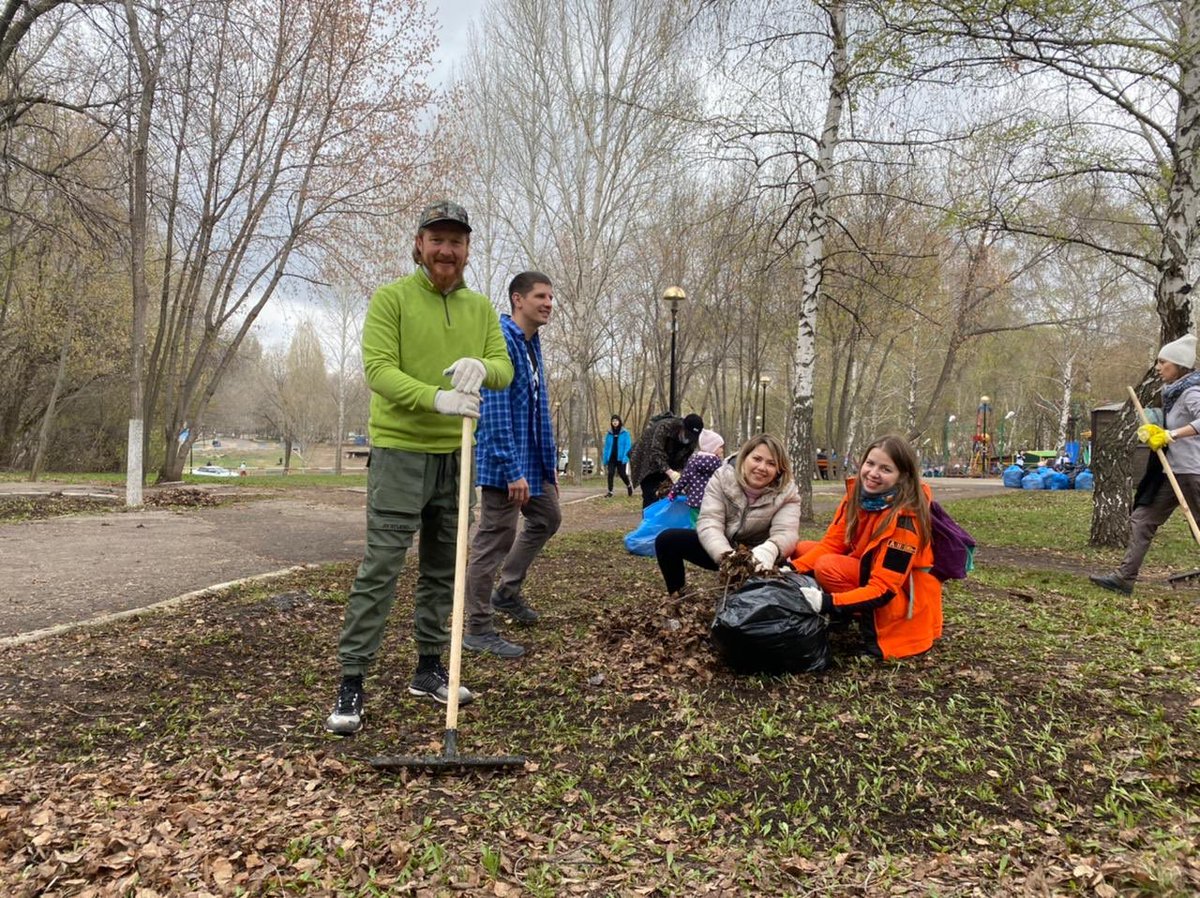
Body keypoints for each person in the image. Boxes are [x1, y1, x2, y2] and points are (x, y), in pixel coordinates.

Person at [324, 199, 514, 736]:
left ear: (468, 250)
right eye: (437, 239)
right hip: (400, 451)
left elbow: (502, 368)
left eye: (456, 241)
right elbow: (378, 371)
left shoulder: (480, 310)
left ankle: (429, 668)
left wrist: (484, 367)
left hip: (457, 454)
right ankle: (353, 679)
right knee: (381, 567)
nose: (446, 250)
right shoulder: (392, 300)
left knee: (443, 567)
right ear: (419, 244)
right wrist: (437, 399)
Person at [462, 271, 562, 659]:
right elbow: (497, 412)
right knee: (494, 540)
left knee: (548, 517)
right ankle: (478, 627)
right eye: (540, 296)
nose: (548, 303)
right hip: (506, 465)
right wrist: (511, 470)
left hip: (532, 464)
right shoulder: (502, 341)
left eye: (551, 297)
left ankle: (506, 591)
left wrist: (547, 464)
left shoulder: (532, 345)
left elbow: (538, 411)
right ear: (517, 300)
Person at [788, 434, 943, 660]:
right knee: (802, 549)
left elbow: (884, 589)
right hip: (869, 570)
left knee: (827, 567)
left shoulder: (906, 522)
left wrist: (829, 603)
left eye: (885, 469)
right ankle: (846, 607)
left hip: (904, 600)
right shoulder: (859, 496)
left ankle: (857, 614)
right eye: (870, 464)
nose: (872, 473)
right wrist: (791, 568)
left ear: (903, 476)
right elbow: (833, 542)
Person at [1090, 334, 1200, 596]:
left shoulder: (1192, 391)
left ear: (1179, 364)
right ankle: (1124, 578)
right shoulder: (1172, 392)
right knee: (1143, 519)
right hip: (1169, 472)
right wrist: (1154, 429)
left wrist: (1172, 435)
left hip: (1193, 471)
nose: (1159, 367)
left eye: (1163, 362)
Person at [654, 434, 800, 597]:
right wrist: (727, 558)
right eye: (757, 459)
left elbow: (786, 532)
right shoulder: (722, 478)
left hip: (762, 556)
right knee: (667, 540)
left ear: (779, 469)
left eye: (771, 463)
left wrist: (769, 550)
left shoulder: (788, 493)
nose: (762, 467)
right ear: (745, 458)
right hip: (723, 547)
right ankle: (677, 598)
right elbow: (710, 521)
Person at [629, 412, 704, 507]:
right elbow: (656, 452)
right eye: (688, 434)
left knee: (665, 494)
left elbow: (685, 459)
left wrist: (680, 474)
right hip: (646, 459)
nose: (689, 438)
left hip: (670, 461)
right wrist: (670, 472)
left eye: (692, 436)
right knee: (651, 495)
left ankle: (664, 520)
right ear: (682, 427)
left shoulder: (693, 440)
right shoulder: (665, 427)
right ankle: (650, 520)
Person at [667, 428, 725, 522]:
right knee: (710, 525)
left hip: (695, 502)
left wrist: (673, 493)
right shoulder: (719, 464)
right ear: (712, 447)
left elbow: (683, 480)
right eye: (720, 447)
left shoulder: (693, 462)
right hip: (713, 502)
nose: (722, 450)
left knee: (695, 525)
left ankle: (695, 536)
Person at [604, 414, 633, 497]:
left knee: (622, 474)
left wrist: (625, 457)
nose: (615, 422)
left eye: (616, 421)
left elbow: (627, 446)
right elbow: (606, 447)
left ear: (619, 421)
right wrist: (605, 458)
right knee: (610, 473)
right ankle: (610, 491)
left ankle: (628, 485)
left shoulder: (625, 433)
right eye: (613, 421)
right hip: (611, 458)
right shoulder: (609, 433)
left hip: (621, 458)